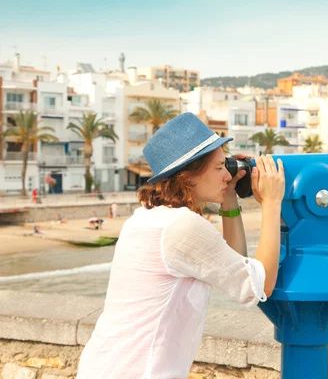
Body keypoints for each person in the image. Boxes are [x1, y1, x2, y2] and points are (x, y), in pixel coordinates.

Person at [76, 113, 285, 379]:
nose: (226, 175)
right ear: (189, 175)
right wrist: (271, 201)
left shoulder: (148, 218)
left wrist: (229, 197)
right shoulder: (181, 226)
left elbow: (235, 265)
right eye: (219, 167)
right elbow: (259, 285)